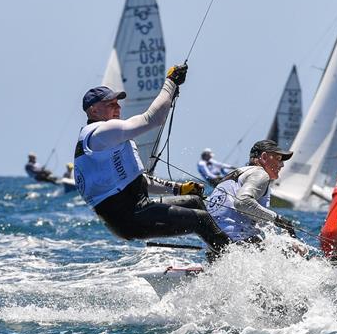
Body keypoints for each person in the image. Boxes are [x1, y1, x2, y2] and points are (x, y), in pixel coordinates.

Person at [73, 64, 229, 254]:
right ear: (93, 111)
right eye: (110, 104)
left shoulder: (103, 140)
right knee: (200, 219)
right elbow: (152, 119)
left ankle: (218, 255)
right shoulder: (101, 132)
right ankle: (236, 263)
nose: (118, 107)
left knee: (194, 202)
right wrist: (170, 83)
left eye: (117, 103)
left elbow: (136, 181)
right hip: (129, 217)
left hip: (135, 210)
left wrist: (177, 188)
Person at [206, 139, 297, 245]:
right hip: (237, 242)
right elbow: (242, 202)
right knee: (299, 249)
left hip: (213, 243)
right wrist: (278, 219)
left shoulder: (234, 174)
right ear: (264, 157)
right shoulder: (260, 173)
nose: (282, 165)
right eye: (278, 158)